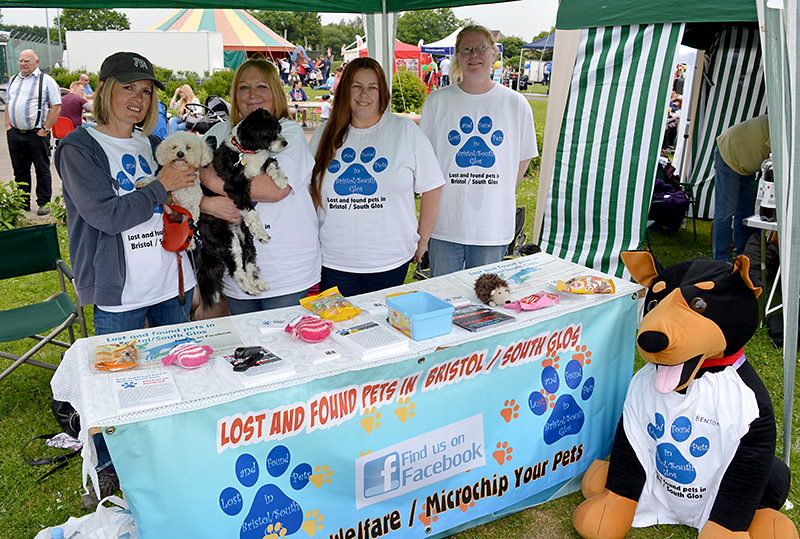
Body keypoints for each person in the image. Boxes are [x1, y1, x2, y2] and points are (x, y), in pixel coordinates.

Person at [53, 51, 199, 507]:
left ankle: (164, 454)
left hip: (170, 281)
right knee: (117, 385)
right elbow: (106, 215)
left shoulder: (148, 141)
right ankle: (107, 469)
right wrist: (162, 185)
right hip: (121, 293)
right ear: (104, 90)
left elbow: (172, 203)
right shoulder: (79, 148)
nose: (137, 98)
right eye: (127, 87)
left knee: (175, 375)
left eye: (146, 90)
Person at [308, 57, 444, 297]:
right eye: (356, 86)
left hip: (390, 259)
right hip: (334, 259)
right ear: (345, 90)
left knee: (384, 329)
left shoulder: (405, 131)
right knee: (341, 329)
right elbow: (310, 192)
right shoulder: (324, 133)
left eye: (373, 87)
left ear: (383, 93)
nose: (364, 94)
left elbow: (432, 187)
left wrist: (423, 241)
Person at [199, 57, 320, 314]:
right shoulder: (220, 133)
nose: (252, 94)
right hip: (238, 268)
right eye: (244, 87)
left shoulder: (287, 132)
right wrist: (205, 202)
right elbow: (185, 176)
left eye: (262, 86)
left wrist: (210, 179)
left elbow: (274, 190)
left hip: (286, 271)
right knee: (250, 348)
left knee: (287, 347)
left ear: (275, 92)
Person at [420, 25, 538, 277]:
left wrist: (499, 192)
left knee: (485, 301)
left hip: (491, 224)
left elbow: (523, 157)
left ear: (493, 54)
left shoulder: (515, 103)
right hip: (445, 224)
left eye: (481, 48)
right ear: (458, 57)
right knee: (444, 295)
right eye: (467, 50)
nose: (474, 55)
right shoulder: (437, 102)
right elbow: (425, 160)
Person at [5, 49, 62, 215]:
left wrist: (45, 130)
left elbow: (56, 107)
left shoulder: (46, 81)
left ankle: (44, 202)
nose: (23, 64)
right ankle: (23, 203)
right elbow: (8, 104)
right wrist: (8, 126)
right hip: (15, 134)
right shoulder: (13, 80)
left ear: (36, 62)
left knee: (42, 169)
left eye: (27, 61)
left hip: (37, 134)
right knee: (20, 170)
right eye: (21, 60)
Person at [713, 114, 771, 262]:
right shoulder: (782, 122)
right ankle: (720, 259)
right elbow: (771, 158)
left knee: (746, 212)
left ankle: (743, 255)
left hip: (747, 166)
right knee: (726, 210)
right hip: (729, 155)